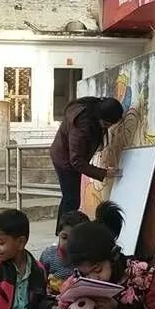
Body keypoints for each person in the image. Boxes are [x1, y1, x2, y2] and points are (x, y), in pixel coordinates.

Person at [49, 97, 124, 230]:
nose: (107, 128)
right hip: (65, 161)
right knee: (72, 199)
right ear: (100, 118)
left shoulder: (94, 109)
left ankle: (62, 233)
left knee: (70, 198)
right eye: (106, 125)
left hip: (68, 157)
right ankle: (65, 234)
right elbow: (76, 161)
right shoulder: (82, 126)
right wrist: (104, 173)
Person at [40, 210, 90, 294]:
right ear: (58, 234)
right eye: (64, 237)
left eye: (74, 240)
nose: (68, 243)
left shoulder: (86, 260)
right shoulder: (48, 255)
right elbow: (40, 281)